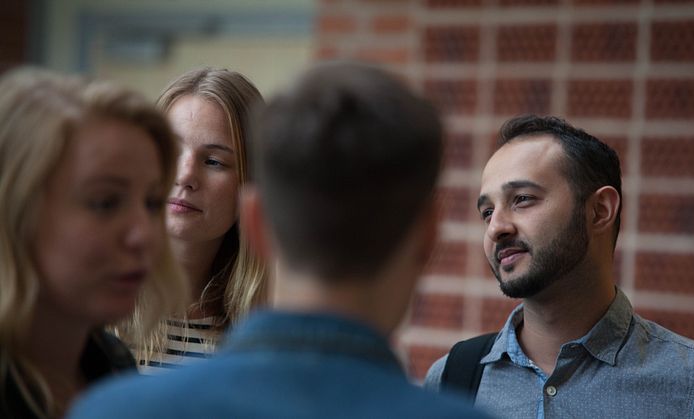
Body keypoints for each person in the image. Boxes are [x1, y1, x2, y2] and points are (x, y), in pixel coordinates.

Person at [68, 61, 491, 419]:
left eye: (214, 160)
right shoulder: (80, 320)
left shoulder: (113, 407)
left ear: (255, 215)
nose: (185, 176)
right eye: (173, 153)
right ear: (431, 233)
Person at [425, 115, 694, 418]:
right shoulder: (451, 379)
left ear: (599, 211)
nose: (496, 228)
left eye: (522, 199)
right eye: (487, 212)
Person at [0, 68, 187, 418]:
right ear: (13, 210)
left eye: (151, 203)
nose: (144, 234)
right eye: (105, 203)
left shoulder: (112, 363)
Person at [119, 68, 269, 373]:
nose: (185, 175)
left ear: (252, 184)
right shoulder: (91, 304)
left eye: (214, 161)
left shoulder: (267, 333)